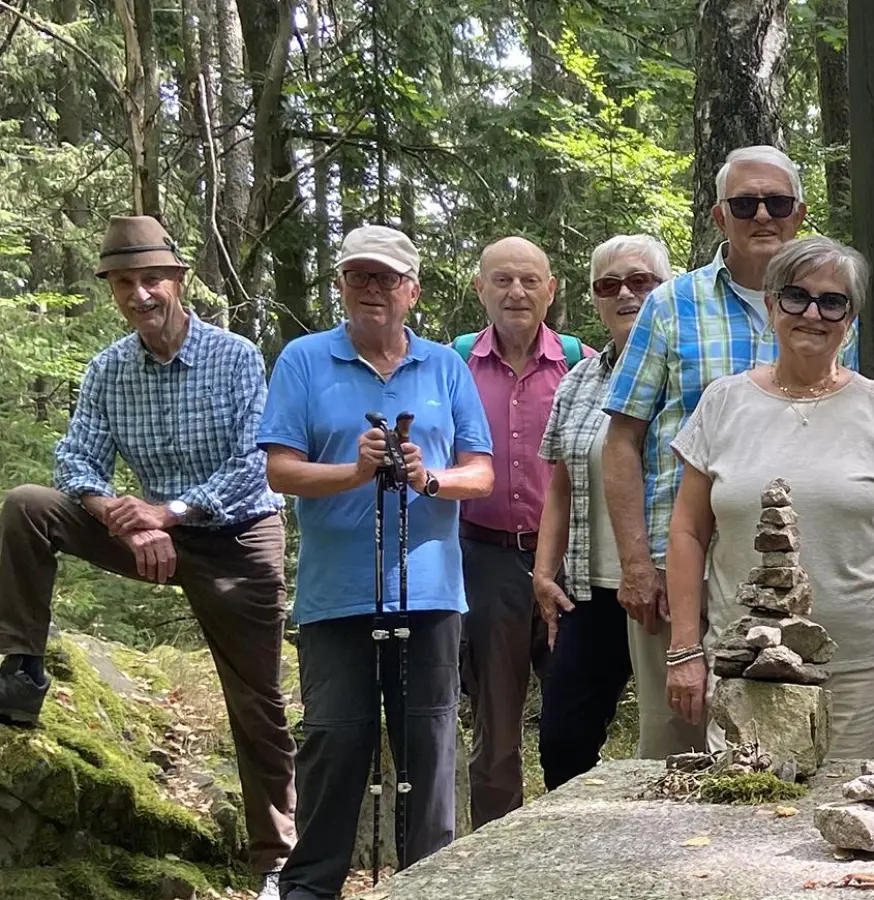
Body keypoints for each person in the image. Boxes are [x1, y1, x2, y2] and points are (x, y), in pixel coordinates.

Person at [0, 216, 296, 900]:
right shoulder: (108, 370)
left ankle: (276, 861)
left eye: (152, 279)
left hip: (236, 538)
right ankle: (20, 671)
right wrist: (117, 514)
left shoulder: (236, 357)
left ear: (178, 281)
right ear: (112, 290)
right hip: (146, 532)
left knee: (255, 700)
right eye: (126, 283)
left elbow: (255, 466)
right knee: (27, 505)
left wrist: (170, 511)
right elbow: (77, 457)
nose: (141, 295)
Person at [259, 225, 494, 900]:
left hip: (430, 593)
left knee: (429, 749)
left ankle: (429, 884)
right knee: (335, 745)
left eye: (386, 278)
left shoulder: (445, 367)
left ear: (411, 291)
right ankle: (312, 889)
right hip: (337, 593)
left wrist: (429, 479)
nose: (372, 290)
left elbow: (480, 474)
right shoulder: (304, 360)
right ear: (341, 285)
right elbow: (279, 470)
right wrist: (354, 471)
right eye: (359, 276)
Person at [602, 145, 858, 741]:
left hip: (791, 570)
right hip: (679, 564)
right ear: (720, 217)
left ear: (798, 213)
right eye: (745, 203)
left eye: (777, 202)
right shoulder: (670, 306)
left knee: (785, 740)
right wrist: (637, 563)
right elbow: (621, 439)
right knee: (678, 738)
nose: (762, 215)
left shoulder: (833, 307)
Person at [662, 236, 874, 759]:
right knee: (744, 817)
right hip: (746, 666)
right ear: (770, 304)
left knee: (857, 817)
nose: (814, 313)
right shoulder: (724, 403)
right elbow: (688, 532)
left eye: (833, 302)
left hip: (860, 671)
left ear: (850, 317)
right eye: (796, 296)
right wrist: (684, 650)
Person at [533, 234, 687, 789]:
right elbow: (562, 481)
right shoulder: (579, 379)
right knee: (563, 739)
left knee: (670, 736)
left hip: (667, 582)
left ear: (669, 288)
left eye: (641, 281)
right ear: (595, 298)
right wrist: (544, 572)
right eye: (609, 284)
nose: (625, 294)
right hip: (589, 586)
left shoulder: (686, 373)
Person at [454, 236, 594, 827]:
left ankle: (578, 844)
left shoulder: (581, 361)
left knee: (576, 715)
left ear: (551, 290)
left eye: (529, 280)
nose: (516, 292)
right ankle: (495, 855)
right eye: (502, 280)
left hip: (569, 560)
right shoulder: (454, 362)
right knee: (497, 724)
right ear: (480, 287)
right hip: (485, 559)